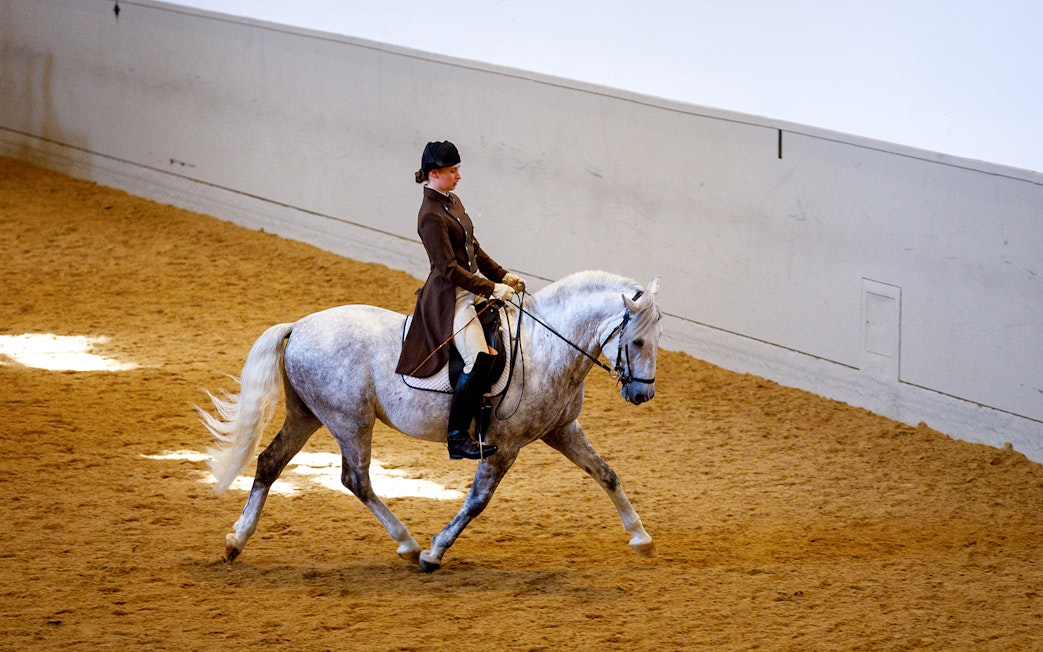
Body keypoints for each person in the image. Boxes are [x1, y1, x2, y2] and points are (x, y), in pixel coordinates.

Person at [396, 141, 526, 460]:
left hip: (470, 289)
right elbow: (447, 268)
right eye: (453, 171)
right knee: (479, 357)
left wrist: (503, 276)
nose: (459, 176)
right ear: (435, 173)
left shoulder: (451, 201)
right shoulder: (429, 215)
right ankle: (456, 436)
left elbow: (473, 249)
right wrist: (491, 289)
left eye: (458, 170)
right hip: (449, 297)